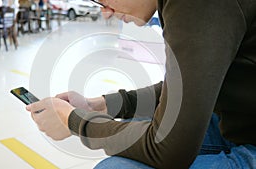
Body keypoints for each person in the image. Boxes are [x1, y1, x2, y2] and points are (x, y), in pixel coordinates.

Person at [26, 0, 256, 168]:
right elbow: (188, 88)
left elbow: (167, 151)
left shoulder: (197, 5)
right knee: (137, 123)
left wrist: (73, 122)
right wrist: (101, 106)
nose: (105, 12)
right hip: (239, 121)